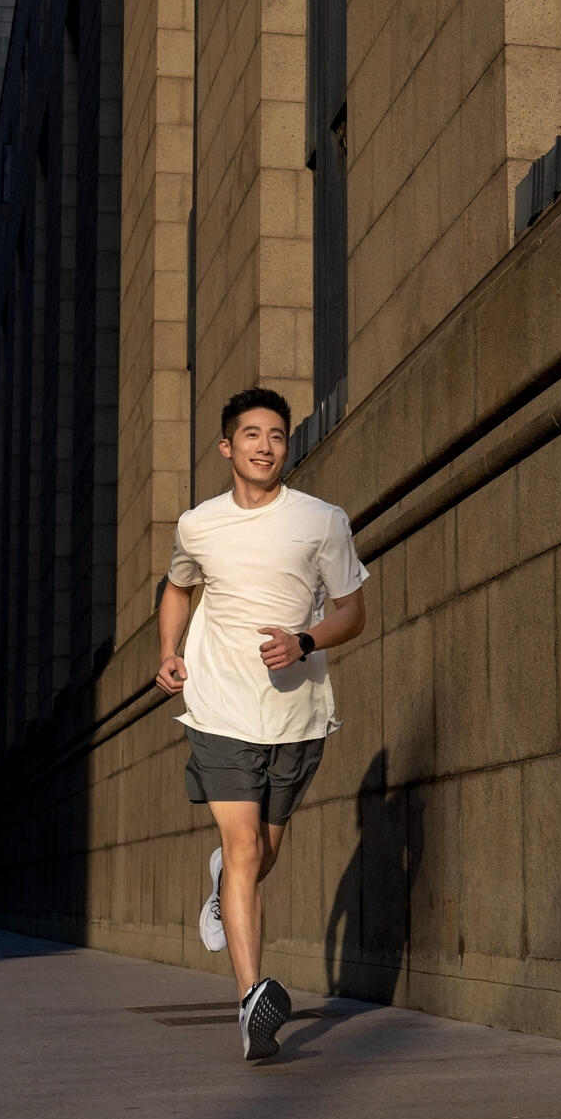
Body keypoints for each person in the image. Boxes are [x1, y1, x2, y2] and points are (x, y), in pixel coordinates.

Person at [156, 387, 368, 1061]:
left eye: (276, 435)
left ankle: (224, 883)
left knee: (258, 855)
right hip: (219, 706)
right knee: (246, 848)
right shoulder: (199, 525)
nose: (265, 446)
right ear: (227, 446)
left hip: (296, 713)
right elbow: (178, 587)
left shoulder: (321, 521)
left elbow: (354, 611)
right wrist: (169, 652)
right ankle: (252, 999)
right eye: (251, 435)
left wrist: (304, 641)